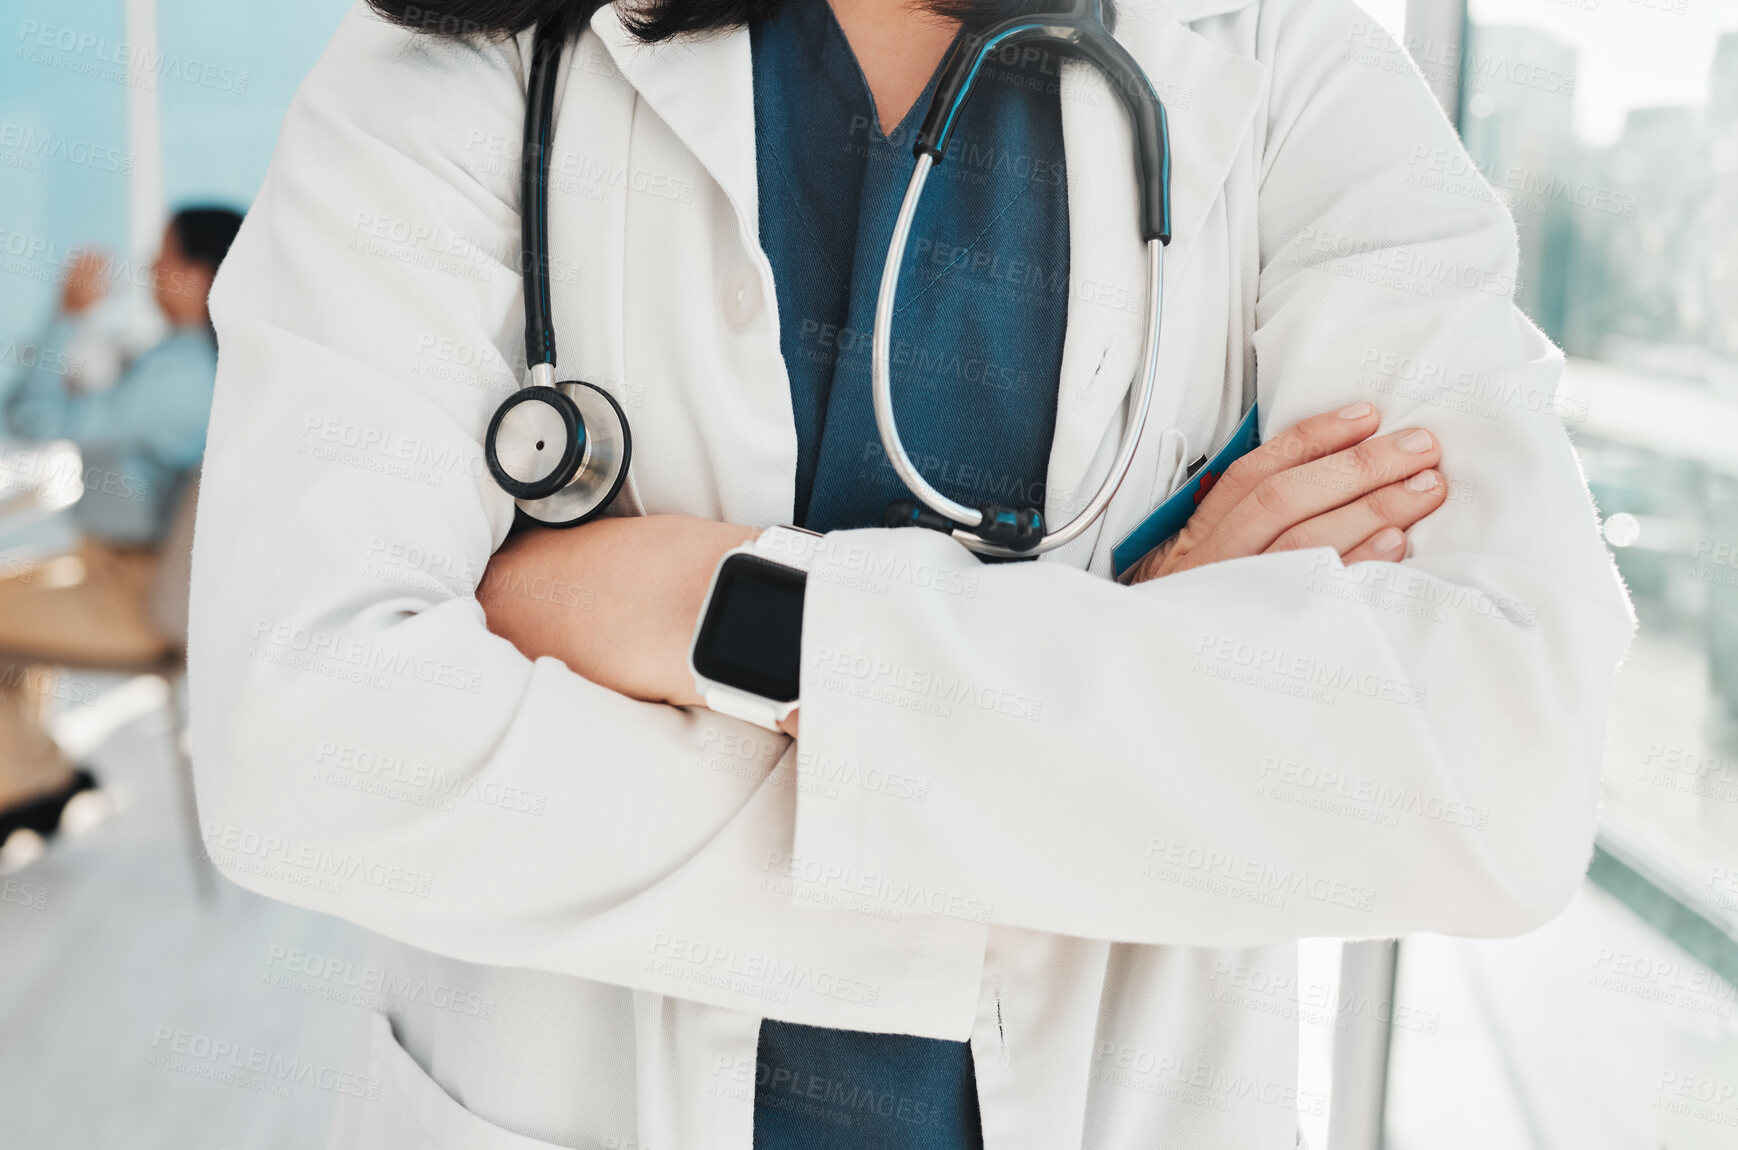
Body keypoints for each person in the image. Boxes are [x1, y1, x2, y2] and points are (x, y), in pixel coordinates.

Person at [190, 1, 1634, 1147]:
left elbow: (1500, 766)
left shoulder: (1285, 76)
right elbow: (307, 743)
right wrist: (1137, 691)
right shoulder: (451, 72)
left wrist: (717, 613)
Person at [0, 207, 242, 852]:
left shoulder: (181, 374)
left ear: (198, 276)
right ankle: (32, 776)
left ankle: (35, 779)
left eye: (165, 255)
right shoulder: (186, 362)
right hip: (110, 569)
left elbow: (28, 415)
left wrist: (67, 315)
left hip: (130, 595)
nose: (149, 268)